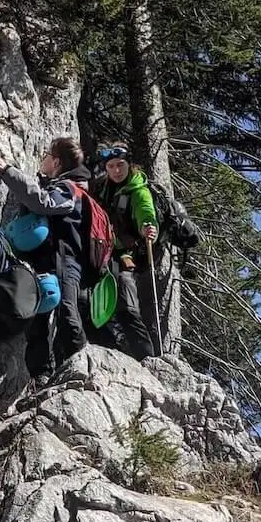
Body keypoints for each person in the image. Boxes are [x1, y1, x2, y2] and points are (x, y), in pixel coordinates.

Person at [0, 136, 94, 383]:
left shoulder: (69, 189)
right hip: (45, 262)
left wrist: (8, 172)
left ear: (55, 161)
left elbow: (42, 202)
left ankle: (79, 369)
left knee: (67, 314)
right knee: (37, 317)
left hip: (66, 261)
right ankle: (42, 377)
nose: (42, 159)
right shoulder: (56, 185)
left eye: (46, 155)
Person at [92, 144, 158, 360]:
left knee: (127, 308)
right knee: (97, 308)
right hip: (101, 254)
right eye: (111, 166)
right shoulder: (101, 187)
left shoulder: (138, 190)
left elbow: (145, 211)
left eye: (120, 165)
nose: (116, 170)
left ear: (129, 165)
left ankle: (147, 359)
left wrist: (148, 226)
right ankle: (110, 355)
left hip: (125, 256)